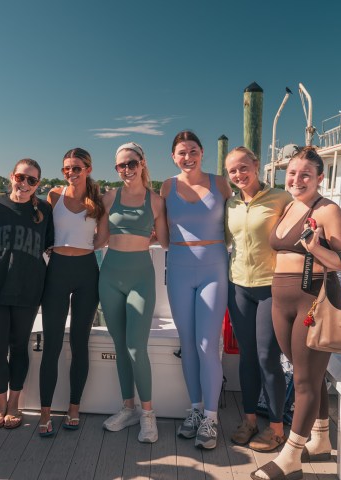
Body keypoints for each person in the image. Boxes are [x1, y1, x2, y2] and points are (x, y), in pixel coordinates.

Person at [252, 146, 341, 480]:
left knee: (305, 379)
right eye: (292, 173)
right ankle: (321, 437)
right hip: (281, 300)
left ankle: (291, 457)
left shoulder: (328, 210)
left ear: (320, 178)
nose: (297, 179)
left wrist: (315, 248)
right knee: (302, 370)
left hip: (311, 300)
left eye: (305, 174)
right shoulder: (290, 206)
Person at [160, 131, 232, 449]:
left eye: (192, 151)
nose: (187, 157)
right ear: (173, 157)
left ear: (202, 153)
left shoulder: (221, 184)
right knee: (187, 343)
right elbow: (161, 233)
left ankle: (212, 419)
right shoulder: (166, 187)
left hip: (214, 268)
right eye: (181, 153)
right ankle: (195, 411)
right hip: (177, 267)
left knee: (207, 344)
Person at [0, 159, 54, 429]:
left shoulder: (44, 210)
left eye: (32, 181)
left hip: (28, 290)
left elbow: (50, 247)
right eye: (21, 178)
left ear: (38, 185)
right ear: (12, 177)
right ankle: (0, 403)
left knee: (19, 347)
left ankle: (14, 403)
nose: (24, 184)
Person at [99, 142, 168, 444]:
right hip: (109, 276)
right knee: (119, 345)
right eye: (121, 165)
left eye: (131, 163)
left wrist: (150, 233)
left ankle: (148, 415)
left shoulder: (156, 201)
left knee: (136, 347)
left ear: (142, 163)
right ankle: (128, 408)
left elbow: (165, 242)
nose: (126, 169)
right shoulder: (108, 198)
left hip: (140, 277)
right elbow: (98, 239)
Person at [224, 146, 292, 452]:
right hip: (238, 286)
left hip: (270, 287)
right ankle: (249, 420)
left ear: (256, 164)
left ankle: (276, 428)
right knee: (247, 357)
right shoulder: (230, 204)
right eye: (232, 171)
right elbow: (225, 241)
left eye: (242, 167)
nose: (238, 175)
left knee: (267, 357)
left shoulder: (281, 199)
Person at [37, 148, 108, 436]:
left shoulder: (98, 201)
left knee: (80, 342)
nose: (71, 172)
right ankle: (44, 413)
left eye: (77, 168)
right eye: (67, 168)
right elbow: (39, 229)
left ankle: (73, 408)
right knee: (52, 343)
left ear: (88, 169)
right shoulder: (53, 196)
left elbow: (101, 239)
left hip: (87, 273)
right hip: (56, 271)